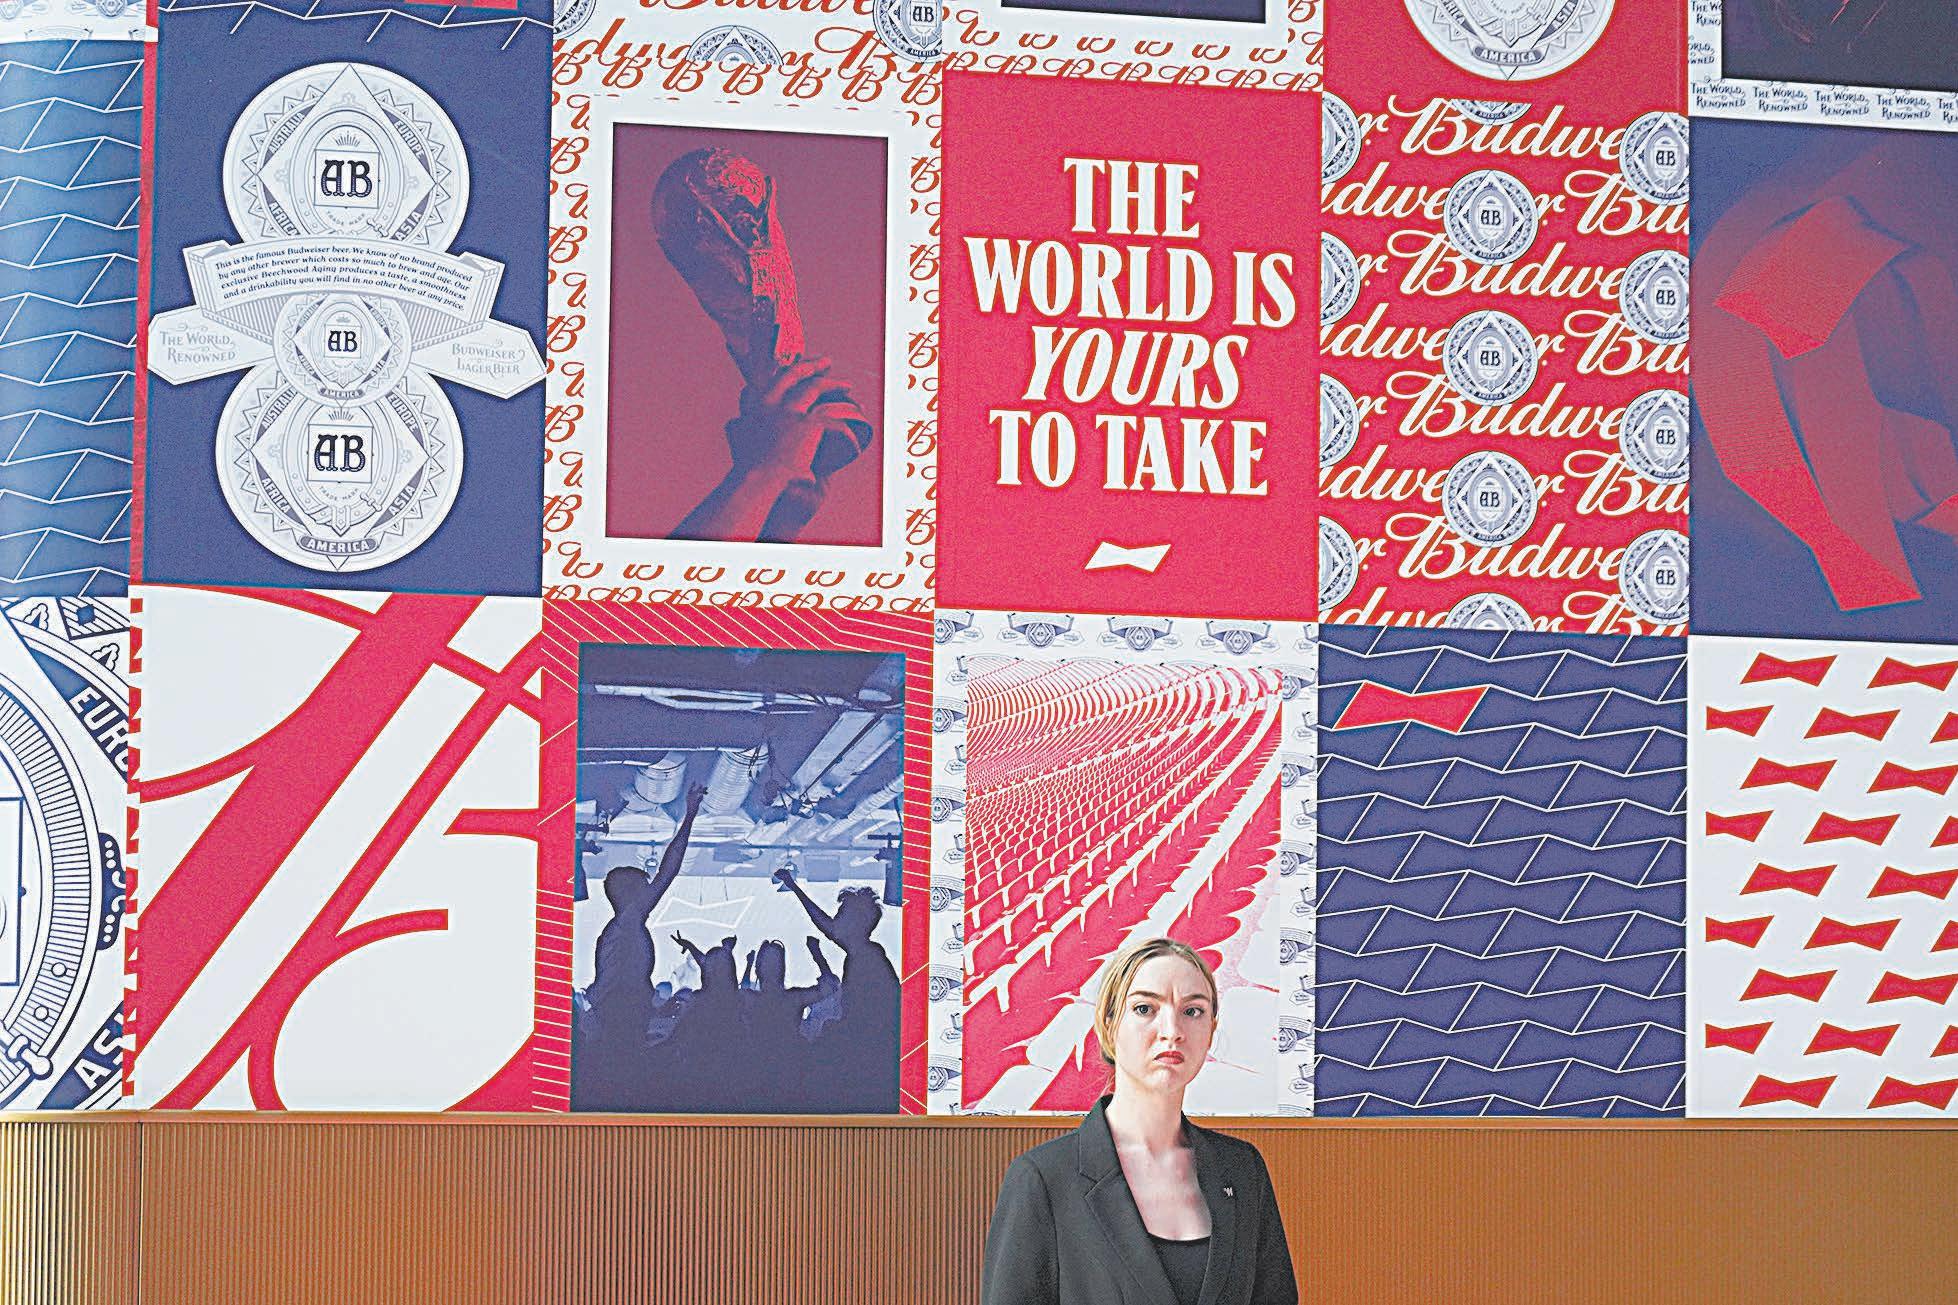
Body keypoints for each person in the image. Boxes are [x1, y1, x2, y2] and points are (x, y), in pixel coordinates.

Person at [980, 937, 1297, 1305]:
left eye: (1193, 1011)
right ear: (1109, 1024)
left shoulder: (1242, 1169)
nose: (1172, 1030)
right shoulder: (1044, 1178)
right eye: (1145, 1008)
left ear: (1211, 1030)